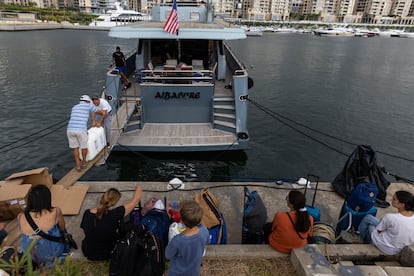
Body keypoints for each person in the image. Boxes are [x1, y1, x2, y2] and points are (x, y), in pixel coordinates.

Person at [80, 186, 142, 261]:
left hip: (89, 252)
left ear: (102, 197)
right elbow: (136, 200)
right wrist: (139, 186)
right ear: (114, 203)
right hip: (107, 253)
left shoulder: (87, 213)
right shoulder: (115, 214)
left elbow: (86, 229)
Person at [18, 185, 69, 267]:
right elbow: (62, 228)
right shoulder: (56, 211)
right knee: (61, 232)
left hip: (31, 256)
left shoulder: (21, 216)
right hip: (52, 254)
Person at [358, 190, 414, 255]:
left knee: (370, 225)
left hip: (385, 248)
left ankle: (362, 240)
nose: (391, 200)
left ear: (402, 204)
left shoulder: (390, 217)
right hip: (399, 249)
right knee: (369, 218)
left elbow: (378, 231)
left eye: (394, 199)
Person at [165, 200, 209, 276]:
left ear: (181, 221)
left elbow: (168, 255)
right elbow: (206, 242)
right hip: (194, 272)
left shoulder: (177, 240)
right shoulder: (204, 231)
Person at [67, 95, 98, 171]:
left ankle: (78, 164)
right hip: (81, 130)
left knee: (75, 148)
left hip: (70, 130)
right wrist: (103, 112)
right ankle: (84, 162)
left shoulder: (74, 107)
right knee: (84, 147)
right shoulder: (89, 106)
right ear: (87, 101)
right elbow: (98, 111)